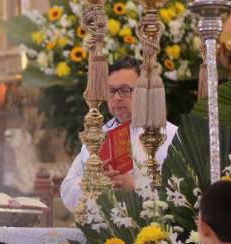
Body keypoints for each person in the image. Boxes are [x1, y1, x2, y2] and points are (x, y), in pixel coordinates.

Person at [59, 57, 179, 213]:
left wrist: (135, 188)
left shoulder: (171, 136)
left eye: (125, 90)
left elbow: (184, 194)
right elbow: (67, 189)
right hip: (104, 224)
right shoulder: (97, 136)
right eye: (111, 91)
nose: (116, 97)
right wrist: (93, 184)